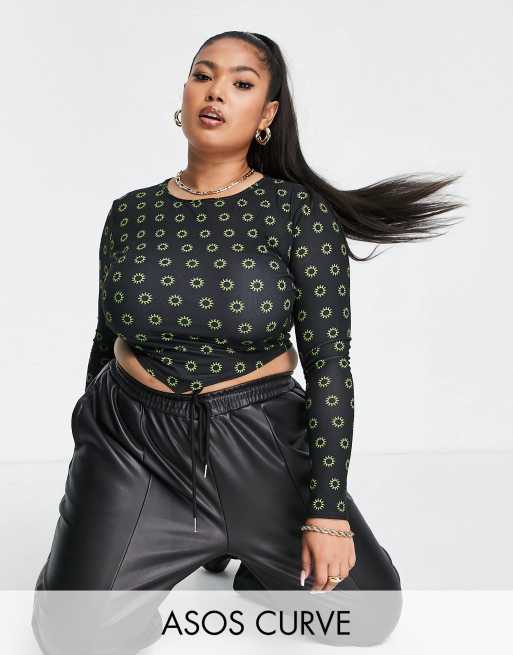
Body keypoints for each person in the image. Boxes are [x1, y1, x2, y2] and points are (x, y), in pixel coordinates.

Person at [31, 30, 464, 652]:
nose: (215, 92)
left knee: (368, 615)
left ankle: (252, 564)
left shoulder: (298, 213)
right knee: (71, 637)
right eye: (202, 75)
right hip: (134, 442)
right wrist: (91, 459)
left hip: (257, 439)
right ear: (184, 95)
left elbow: (330, 367)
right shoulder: (129, 213)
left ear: (266, 115)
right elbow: (106, 339)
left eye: (241, 83)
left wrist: (327, 511)